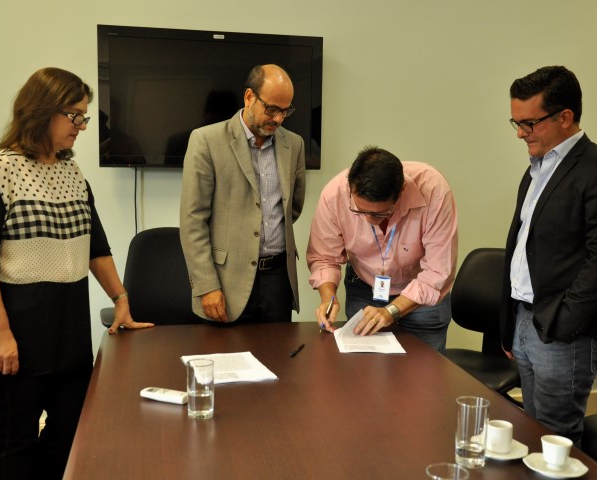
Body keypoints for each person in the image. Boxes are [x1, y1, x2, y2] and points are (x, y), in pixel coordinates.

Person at [0, 67, 154, 479]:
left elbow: (96, 248)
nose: (82, 125)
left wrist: (121, 300)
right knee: (18, 435)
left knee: (71, 429)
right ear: (41, 110)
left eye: (85, 116)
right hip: (17, 328)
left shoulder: (72, 173)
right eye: (74, 115)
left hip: (68, 328)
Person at [500, 66, 597, 444]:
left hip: (563, 331)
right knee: (532, 431)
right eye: (516, 122)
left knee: (555, 441)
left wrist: (564, 322)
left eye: (529, 123)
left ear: (565, 117)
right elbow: (524, 246)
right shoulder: (535, 169)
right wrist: (512, 323)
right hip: (525, 319)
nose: (520, 133)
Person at [180, 64, 306, 324]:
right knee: (225, 351)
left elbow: (292, 207)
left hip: (278, 280)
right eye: (271, 109)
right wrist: (206, 286)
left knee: (279, 351)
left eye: (285, 111)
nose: (278, 119)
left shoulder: (294, 144)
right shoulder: (206, 140)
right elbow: (193, 221)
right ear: (249, 97)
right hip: (226, 281)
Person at [306, 146, 458, 352]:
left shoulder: (433, 190)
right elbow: (324, 257)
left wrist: (391, 311)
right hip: (364, 287)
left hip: (423, 297)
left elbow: (438, 271)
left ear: (400, 192)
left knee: (424, 368)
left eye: (380, 213)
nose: (369, 220)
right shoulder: (334, 195)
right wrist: (328, 298)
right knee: (364, 366)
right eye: (360, 211)